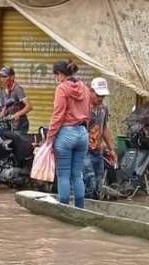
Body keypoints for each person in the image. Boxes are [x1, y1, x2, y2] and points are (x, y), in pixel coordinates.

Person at [46, 61, 91, 207]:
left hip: (66, 134)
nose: (56, 79)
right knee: (77, 175)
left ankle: (64, 208)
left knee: (63, 175)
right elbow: (88, 112)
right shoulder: (84, 87)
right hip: (82, 133)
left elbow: (57, 116)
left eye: (56, 76)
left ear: (60, 74)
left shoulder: (62, 88)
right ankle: (80, 208)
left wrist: (49, 138)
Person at [83, 77, 116, 200]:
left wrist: (111, 149)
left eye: (103, 96)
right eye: (98, 95)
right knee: (89, 180)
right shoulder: (84, 108)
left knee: (98, 184)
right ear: (91, 91)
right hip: (85, 151)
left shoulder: (103, 109)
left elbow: (105, 128)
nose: (100, 98)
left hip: (98, 151)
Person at [0, 66, 32, 134]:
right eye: (1, 77)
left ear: (12, 77)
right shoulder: (3, 90)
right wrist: (1, 114)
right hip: (9, 124)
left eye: (4, 76)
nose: (2, 79)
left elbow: (29, 107)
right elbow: (6, 105)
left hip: (20, 125)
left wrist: (18, 114)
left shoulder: (17, 89)